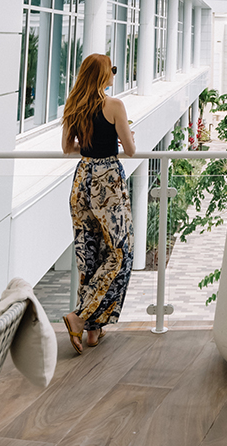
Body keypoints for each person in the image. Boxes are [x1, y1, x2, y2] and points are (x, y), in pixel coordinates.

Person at [61, 54, 136, 354]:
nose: (114, 73)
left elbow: (67, 147)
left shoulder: (74, 105)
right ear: (103, 74)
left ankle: (93, 332)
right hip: (107, 182)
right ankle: (79, 317)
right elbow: (130, 149)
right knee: (121, 253)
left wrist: (90, 144)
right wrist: (118, 139)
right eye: (112, 69)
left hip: (82, 179)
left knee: (89, 255)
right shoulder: (114, 105)